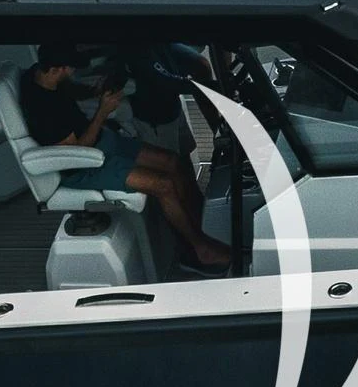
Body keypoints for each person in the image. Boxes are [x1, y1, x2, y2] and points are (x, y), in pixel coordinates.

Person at [18, 47, 230, 270]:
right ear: (55, 69)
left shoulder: (38, 74)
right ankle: (200, 250)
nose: (72, 71)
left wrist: (93, 91)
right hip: (84, 165)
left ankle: (202, 226)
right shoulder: (44, 112)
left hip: (101, 142)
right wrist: (103, 111)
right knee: (164, 184)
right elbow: (79, 150)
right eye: (69, 68)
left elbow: (68, 90)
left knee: (173, 162)